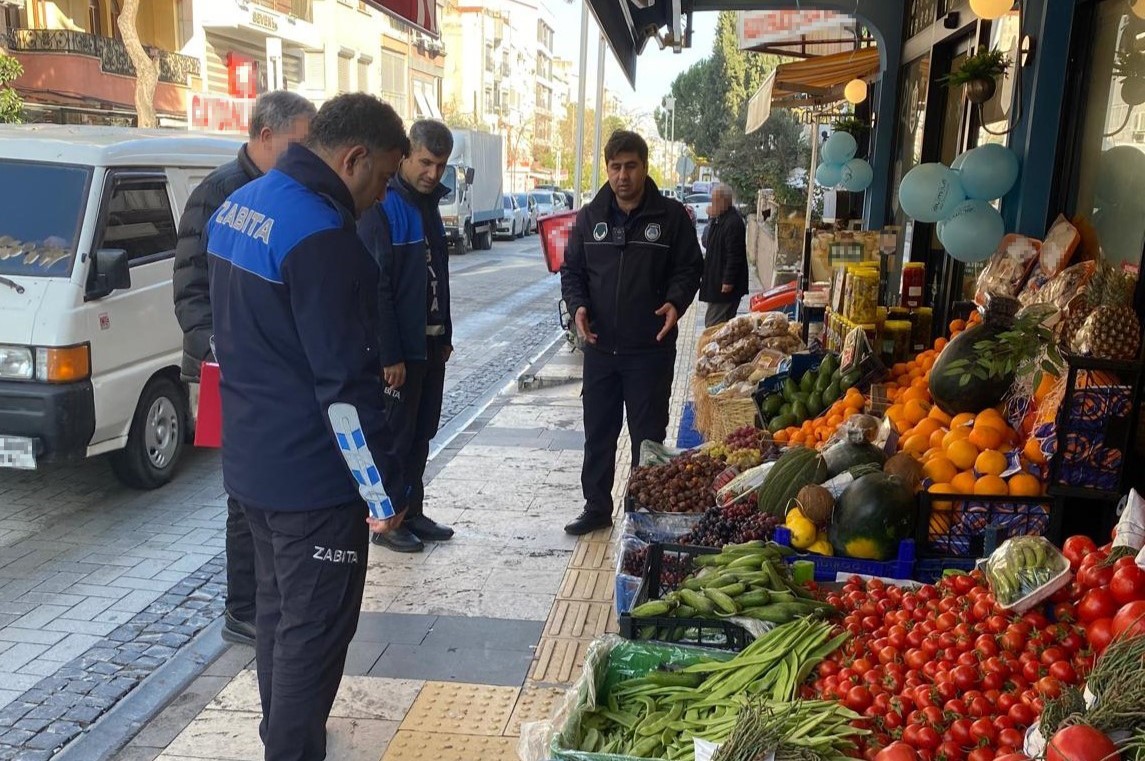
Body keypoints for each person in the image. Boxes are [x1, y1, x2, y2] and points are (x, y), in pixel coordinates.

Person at [206, 93, 409, 761]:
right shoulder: (323, 237)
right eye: (382, 179)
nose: (381, 197)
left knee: (277, 621)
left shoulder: (243, 203)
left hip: (253, 466)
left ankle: (280, 740)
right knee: (312, 635)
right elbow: (346, 391)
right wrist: (383, 494)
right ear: (354, 158)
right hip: (311, 485)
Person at [172, 90, 316, 646]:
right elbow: (189, 292)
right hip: (225, 372)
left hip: (274, 373)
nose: (307, 157)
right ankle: (242, 607)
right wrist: (223, 346)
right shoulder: (218, 194)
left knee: (268, 488)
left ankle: (269, 598)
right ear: (263, 136)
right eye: (297, 145)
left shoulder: (292, 193)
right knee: (243, 494)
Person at [559, 130, 703, 535]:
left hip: (650, 351)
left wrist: (676, 301)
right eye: (616, 167)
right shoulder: (590, 217)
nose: (623, 175)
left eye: (631, 166)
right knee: (598, 435)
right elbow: (572, 272)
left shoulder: (670, 217)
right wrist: (578, 307)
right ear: (607, 169)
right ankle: (596, 507)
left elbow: (690, 267)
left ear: (644, 166)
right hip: (601, 350)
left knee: (648, 438)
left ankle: (643, 509)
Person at [357, 119, 456, 553]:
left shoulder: (429, 206)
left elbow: (438, 277)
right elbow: (376, 285)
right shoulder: (385, 205)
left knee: (422, 432)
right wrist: (389, 354)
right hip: (401, 353)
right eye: (425, 162)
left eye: (441, 165)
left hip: (431, 344)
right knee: (395, 437)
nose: (433, 174)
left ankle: (412, 509)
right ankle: (388, 519)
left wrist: (446, 331)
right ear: (406, 156)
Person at [699, 183, 749, 327]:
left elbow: (734, 255)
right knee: (721, 325)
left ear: (724, 201)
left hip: (724, 286)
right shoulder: (719, 218)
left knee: (714, 324)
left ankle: (713, 350)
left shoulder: (733, 222)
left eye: (715, 200)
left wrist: (728, 281)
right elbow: (707, 242)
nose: (712, 204)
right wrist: (711, 219)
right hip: (716, 282)